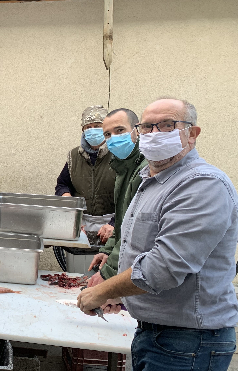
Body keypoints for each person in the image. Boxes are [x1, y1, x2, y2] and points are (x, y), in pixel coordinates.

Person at [77, 98, 238, 371]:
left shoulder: (202, 184)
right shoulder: (150, 181)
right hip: (156, 335)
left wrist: (103, 291)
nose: (154, 134)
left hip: (188, 343)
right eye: (147, 127)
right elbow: (136, 249)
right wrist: (123, 296)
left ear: (192, 134)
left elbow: (165, 267)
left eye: (166, 125)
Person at [86, 108, 147, 288]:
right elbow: (122, 221)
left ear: (137, 130)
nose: (113, 138)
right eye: (108, 134)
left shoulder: (144, 170)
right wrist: (107, 251)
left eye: (120, 131)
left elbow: (134, 230)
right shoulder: (122, 168)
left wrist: (108, 273)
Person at [55, 105, 116, 245]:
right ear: (82, 129)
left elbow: (129, 196)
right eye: (88, 127)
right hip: (81, 222)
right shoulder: (74, 156)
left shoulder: (118, 154)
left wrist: (114, 224)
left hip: (111, 224)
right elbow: (62, 184)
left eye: (97, 125)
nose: (92, 130)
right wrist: (70, 207)